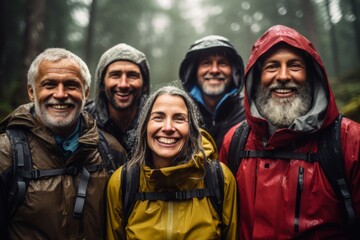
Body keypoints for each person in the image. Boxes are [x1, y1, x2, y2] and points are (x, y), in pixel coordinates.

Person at [219, 25, 360, 239]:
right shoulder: (235, 142)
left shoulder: (350, 141)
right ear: (256, 78)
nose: (283, 76)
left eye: (294, 66)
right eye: (272, 67)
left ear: (312, 75)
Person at [0, 48, 126, 239]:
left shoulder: (110, 151)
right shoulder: (6, 152)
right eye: (49, 84)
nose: (60, 94)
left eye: (71, 85)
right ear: (31, 92)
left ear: (85, 92)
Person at [106, 85, 238, 240]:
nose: (168, 127)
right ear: (145, 126)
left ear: (191, 129)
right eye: (158, 117)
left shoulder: (220, 179)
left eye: (179, 118)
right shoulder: (122, 183)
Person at [179, 35, 245, 151]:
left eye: (223, 63)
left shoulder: (249, 114)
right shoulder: (181, 111)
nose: (214, 70)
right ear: (194, 71)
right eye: (206, 63)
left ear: (235, 72)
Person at [86, 43, 150, 157]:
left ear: (144, 84)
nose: (123, 84)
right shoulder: (84, 121)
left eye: (132, 75)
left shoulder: (156, 120)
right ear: (102, 82)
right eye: (115, 75)